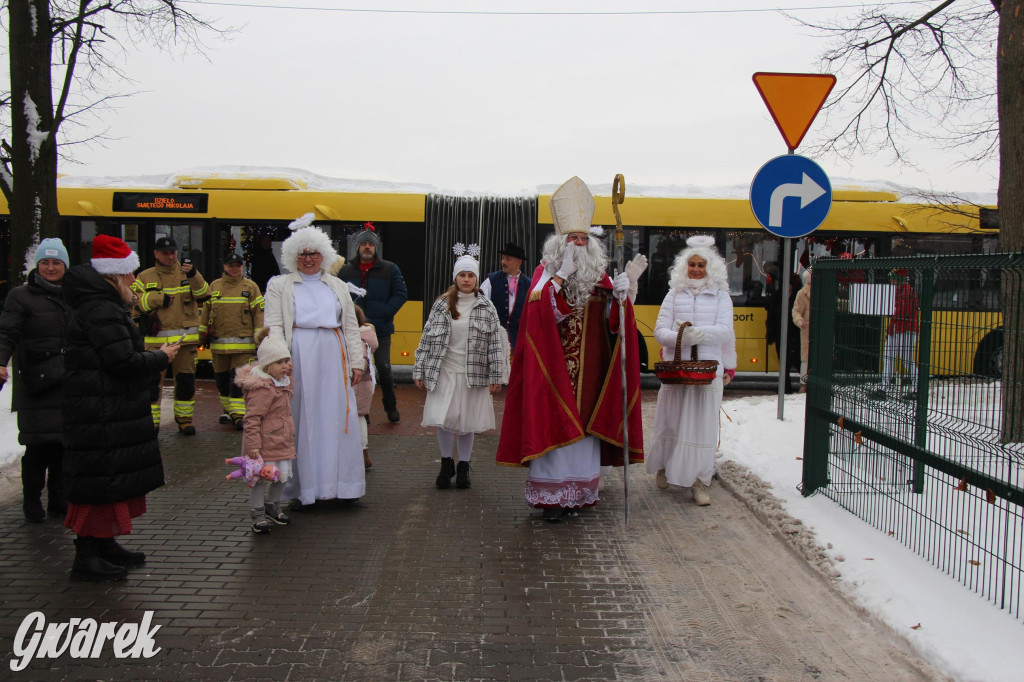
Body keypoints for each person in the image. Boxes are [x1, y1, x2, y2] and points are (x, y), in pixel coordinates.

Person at [496, 176, 647, 522]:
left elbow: (615, 327)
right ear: (559, 243)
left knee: (584, 435)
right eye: (572, 238)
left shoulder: (600, 277)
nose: (578, 243)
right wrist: (560, 277)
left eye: (583, 237)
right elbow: (538, 315)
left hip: (590, 374)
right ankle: (553, 498)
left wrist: (625, 295)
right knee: (554, 427)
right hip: (552, 371)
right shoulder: (544, 273)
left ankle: (577, 495)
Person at [61, 233, 180, 582]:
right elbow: (121, 361)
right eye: (129, 273)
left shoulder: (100, 305)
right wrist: (161, 356)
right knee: (99, 483)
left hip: (103, 408)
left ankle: (104, 544)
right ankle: (87, 556)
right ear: (114, 275)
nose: (134, 279)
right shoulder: (101, 309)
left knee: (108, 482)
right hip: (100, 411)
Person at [263, 215, 365, 507]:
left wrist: (356, 363)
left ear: (324, 255)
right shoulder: (280, 285)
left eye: (314, 253)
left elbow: (350, 326)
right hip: (298, 356)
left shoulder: (337, 285)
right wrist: (279, 361)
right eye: (302, 254)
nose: (308, 259)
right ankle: (305, 489)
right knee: (301, 420)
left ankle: (341, 487)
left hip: (333, 355)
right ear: (293, 256)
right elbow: (274, 325)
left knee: (336, 419)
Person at [646, 235, 737, 506]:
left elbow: (724, 331)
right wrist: (681, 338)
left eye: (701, 265)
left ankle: (699, 481)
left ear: (710, 268)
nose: (696, 269)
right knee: (671, 420)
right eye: (692, 264)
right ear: (685, 267)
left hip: (708, 372)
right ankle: (665, 465)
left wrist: (697, 334)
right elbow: (659, 331)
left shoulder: (722, 297)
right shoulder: (673, 294)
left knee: (702, 427)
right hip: (677, 371)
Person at [414, 247, 506, 490]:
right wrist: (419, 369)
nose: (466, 279)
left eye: (471, 275)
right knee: (444, 420)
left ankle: (463, 466)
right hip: (444, 371)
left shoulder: (486, 307)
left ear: (477, 279)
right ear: (455, 277)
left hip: (472, 374)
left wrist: (497, 375)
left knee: (467, 422)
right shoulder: (441, 305)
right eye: (462, 275)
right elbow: (426, 338)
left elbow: (495, 344)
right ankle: (446, 464)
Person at [0, 238, 72, 522]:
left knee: (64, 446)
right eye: (45, 262)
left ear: (65, 265)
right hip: (38, 383)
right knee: (38, 446)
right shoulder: (20, 296)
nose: (51, 268)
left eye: (56, 263)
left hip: (68, 381)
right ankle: (32, 501)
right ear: (37, 265)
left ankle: (58, 501)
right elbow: (7, 333)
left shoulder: (75, 295)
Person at [130, 236, 210, 435]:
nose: (170, 256)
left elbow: (204, 294)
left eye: (172, 252)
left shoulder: (188, 273)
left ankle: (184, 421)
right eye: (165, 253)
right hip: (156, 343)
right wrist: (156, 298)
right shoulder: (144, 277)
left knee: (185, 382)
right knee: (152, 385)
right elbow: (133, 301)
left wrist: (193, 274)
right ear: (156, 254)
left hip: (185, 342)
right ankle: (152, 422)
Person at [337, 225, 408, 423]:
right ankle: (362, 412)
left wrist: (385, 312)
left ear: (376, 248)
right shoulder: (345, 271)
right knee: (358, 371)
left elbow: (401, 294)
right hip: (353, 330)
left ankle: (390, 407)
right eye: (363, 244)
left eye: (370, 244)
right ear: (358, 247)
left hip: (381, 329)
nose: (367, 247)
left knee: (384, 368)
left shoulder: (389, 269)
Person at [233, 328, 296, 534]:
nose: (286, 366)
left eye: (287, 361)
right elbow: (252, 419)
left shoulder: (283, 384)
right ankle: (257, 513)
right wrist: (253, 445)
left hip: (282, 440)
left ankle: (272, 504)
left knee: (282, 477)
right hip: (263, 444)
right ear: (267, 366)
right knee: (260, 479)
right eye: (280, 362)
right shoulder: (262, 389)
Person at [199, 251, 265, 429]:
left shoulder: (251, 287)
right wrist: (201, 335)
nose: (235, 269)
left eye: (238, 265)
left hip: (243, 346)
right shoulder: (214, 286)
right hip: (218, 345)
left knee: (237, 381)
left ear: (242, 267)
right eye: (231, 266)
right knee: (220, 380)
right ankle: (228, 411)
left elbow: (259, 315)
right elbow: (206, 313)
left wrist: (259, 340)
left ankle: (239, 415)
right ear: (224, 267)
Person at [870, 268, 920, 401]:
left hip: (906, 331)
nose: (890, 281)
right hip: (896, 330)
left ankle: (917, 389)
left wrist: (887, 309)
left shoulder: (908, 292)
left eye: (892, 278)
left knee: (906, 360)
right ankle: (884, 388)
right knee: (889, 358)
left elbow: (900, 312)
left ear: (898, 279)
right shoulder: (898, 291)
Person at [480, 242, 531, 351]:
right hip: (494, 342)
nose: (503, 262)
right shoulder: (491, 281)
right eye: (503, 258)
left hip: (518, 342)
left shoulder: (529, 285)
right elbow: (481, 309)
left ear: (519, 262)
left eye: (508, 259)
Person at [352, 305, 378, 471]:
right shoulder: (366, 335)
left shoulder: (356, 339)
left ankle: (362, 454)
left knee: (357, 418)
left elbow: (359, 362)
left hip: (356, 384)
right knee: (360, 417)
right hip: (364, 385)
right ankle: (363, 452)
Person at [791, 268, 813, 393]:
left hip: (820, 330)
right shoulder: (802, 293)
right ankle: (804, 384)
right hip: (807, 329)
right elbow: (796, 311)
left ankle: (810, 384)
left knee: (815, 358)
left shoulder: (826, 291)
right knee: (805, 358)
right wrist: (799, 321)